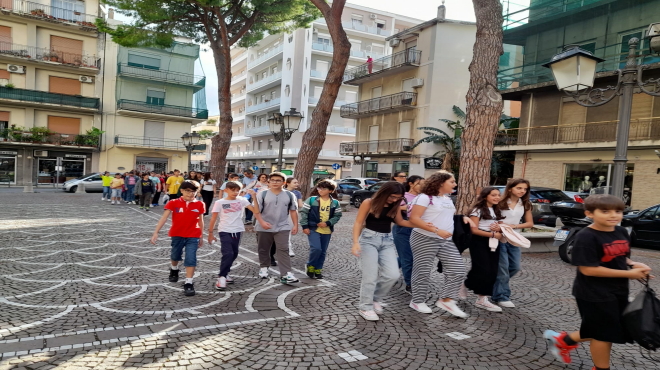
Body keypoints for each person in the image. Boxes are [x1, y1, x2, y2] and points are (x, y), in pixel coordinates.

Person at [543, 194, 652, 369]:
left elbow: (619, 257)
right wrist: (629, 275)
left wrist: (633, 264)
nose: (613, 215)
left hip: (618, 291)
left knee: (610, 329)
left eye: (618, 211)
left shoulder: (622, 232)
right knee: (604, 334)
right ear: (590, 213)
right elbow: (588, 269)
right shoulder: (586, 236)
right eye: (605, 211)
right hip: (593, 293)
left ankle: (562, 341)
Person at [408, 171, 472, 317]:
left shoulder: (447, 198)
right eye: (452, 181)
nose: (455, 184)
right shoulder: (424, 198)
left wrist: (462, 218)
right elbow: (414, 218)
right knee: (422, 271)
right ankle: (417, 301)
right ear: (441, 183)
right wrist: (436, 230)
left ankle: (447, 300)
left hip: (445, 240)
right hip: (424, 238)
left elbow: (443, 215)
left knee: (458, 269)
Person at [352, 181, 418, 321]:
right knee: (370, 276)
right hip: (368, 240)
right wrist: (356, 242)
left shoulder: (395, 205)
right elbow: (358, 222)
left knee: (392, 275)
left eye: (398, 198)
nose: (394, 199)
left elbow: (400, 222)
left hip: (387, 241)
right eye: (392, 196)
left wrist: (420, 223)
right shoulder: (369, 202)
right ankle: (365, 307)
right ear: (384, 192)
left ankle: (374, 299)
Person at [150, 180, 205, 297]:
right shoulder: (173, 202)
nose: (190, 194)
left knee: (191, 258)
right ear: (182, 191)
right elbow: (164, 218)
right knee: (175, 256)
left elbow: (201, 221)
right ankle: (174, 269)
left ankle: (188, 283)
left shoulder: (200, 204)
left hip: (193, 235)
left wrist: (201, 236)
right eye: (187, 191)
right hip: (177, 235)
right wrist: (156, 232)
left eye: (193, 191)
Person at [207, 182, 263, 290]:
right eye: (233, 190)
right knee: (228, 253)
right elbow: (213, 218)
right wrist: (210, 233)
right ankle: (221, 277)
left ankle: (226, 272)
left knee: (234, 253)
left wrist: (254, 197)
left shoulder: (242, 200)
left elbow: (256, 210)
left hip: (238, 230)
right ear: (226, 190)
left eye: (238, 190)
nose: (235, 192)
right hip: (224, 230)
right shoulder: (220, 202)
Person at [492, 178, 534, 308]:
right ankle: (501, 296)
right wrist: (499, 226)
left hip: (514, 238)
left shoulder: (525, 203)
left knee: (514, 267)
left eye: (525, 189)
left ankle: (493, 285)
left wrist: (512, 226)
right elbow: (492, 218)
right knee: (503, 269)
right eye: (519, 188)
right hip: (500, 238)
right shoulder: (500, 202)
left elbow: (530, 223)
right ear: (510, 188)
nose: (522, 191)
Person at [252, 172, 299, 284]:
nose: (275, 182)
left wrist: (296, 225)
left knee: (283, 249)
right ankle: (264, 267)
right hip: (264, 226)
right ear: (268, 182)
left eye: (278, 180)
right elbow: (256, 211)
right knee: (263, 248)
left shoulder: (289, 195)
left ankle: (286, 274)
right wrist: (262, 222)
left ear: (283, 182)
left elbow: (293, 210)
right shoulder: (262, 195)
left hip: (283, 226)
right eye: (272, 180)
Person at [463, 187, 506, 312]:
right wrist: (493, 234)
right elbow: (473, 229)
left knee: (492, 269)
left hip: (494, 241)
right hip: (479, 241)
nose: (497, 197)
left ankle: (471, 288)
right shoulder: (477, 210)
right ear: (485, 196)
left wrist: (499, 228)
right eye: (493, 195)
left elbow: (501, 224)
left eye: (498, 195)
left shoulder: (496, 209)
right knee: (483, 268)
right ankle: (481, 298)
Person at [300, 179, 342, 279]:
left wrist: (328, 223)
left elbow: (337, 215)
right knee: (316, 248)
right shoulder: (311, 200)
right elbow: (304, 213)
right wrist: (305, 226)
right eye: (319, 188)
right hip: (313, 228)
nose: (320, 190)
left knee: (323, 251)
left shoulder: (335, 203)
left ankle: (318, 269)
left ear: (330, 191)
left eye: (324, 189)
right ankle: (310, 265)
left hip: (327, 230)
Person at [393, 175, 424, 294]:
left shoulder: (424, 197)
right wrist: (409, 207)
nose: (422, 186)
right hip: (403, 229)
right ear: (411, 184)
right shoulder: (404, 196)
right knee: (408, 258)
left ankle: (388, 271)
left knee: (408, 257)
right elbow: (394, 208)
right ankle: (410, 284)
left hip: (419, 229)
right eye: (419, 183)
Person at [284, 177, 303, 257]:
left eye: (297, 182)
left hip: (292, 214)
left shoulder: (297, 193)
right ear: (288, 183)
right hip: (281, 214)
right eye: (294, 183)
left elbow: (300, 204)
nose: (297, 184)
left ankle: (289, 248)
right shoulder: (282, 191)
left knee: (288, 232)